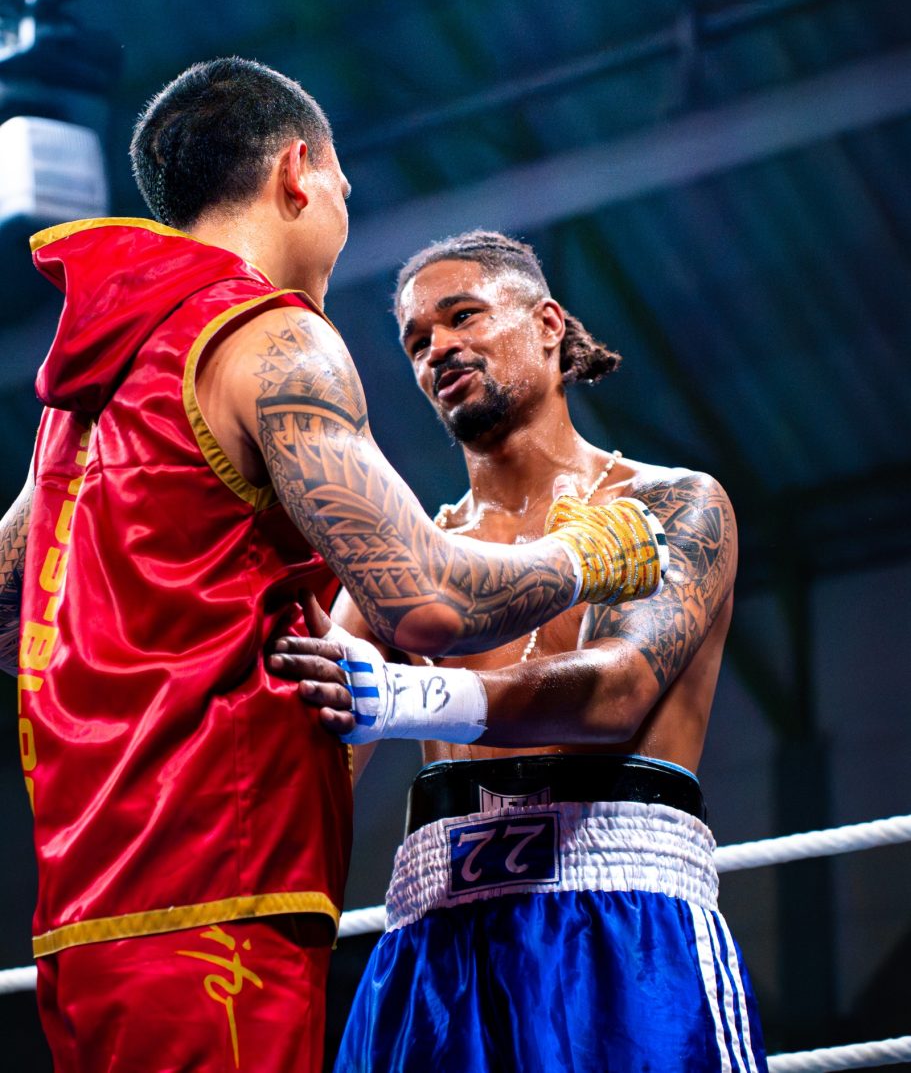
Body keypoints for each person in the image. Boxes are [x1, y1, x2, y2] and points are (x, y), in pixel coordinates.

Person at [0, 65, 666, 1073]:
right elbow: (426, 599)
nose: (345, 208)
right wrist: (585, 555)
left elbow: (12, 609)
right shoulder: (269, 336)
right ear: (298, 170)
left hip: (83, 913)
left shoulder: (84, 390)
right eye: (343, 185)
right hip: (218, 893)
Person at [272, 230, 768, 1072]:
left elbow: (616, 692)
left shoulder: (670, 504)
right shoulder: (406, 565)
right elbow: (308, 756)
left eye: (462, 316)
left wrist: (401, 697)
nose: (437, 348)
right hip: (434, 939)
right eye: (416, 340)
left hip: (621, 921)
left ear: (546, 324)